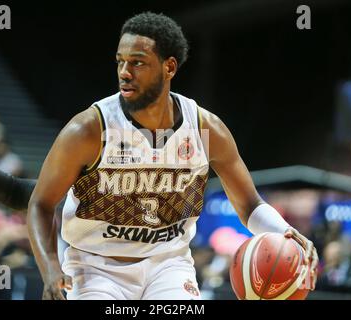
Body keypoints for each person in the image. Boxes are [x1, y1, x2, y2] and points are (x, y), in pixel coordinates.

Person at [28, 12, 319, 300]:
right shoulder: (89, 129)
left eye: (138, 62)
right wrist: (51, 268)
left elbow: (250, 205)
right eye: (120, 61)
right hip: (96, 267)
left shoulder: (206, 130)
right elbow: (41, 203)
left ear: (169, 67)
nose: (124, 72)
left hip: (168, 265)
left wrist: (287, 231)